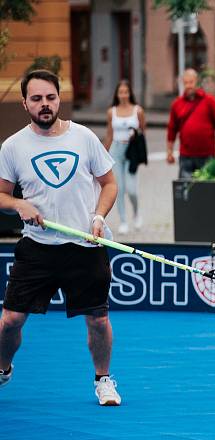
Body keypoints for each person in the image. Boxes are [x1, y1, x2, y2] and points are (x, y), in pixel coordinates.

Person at [0, 69, 121, 406]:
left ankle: (103, 380)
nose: (44, 105)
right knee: (10, 320)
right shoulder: (12, 147)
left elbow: (109, 183)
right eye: (36, 99)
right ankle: (2, 369)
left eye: (50, 98)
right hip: (37, 248)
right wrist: (19, 203)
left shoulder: (84, 138)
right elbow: (1, 195)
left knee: (98, 320)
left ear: (59, 99)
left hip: (85, 245)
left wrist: (98, 217)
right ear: (25, 103)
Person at [166, 68, 215, 180]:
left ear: (197, 82)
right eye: (186, 83)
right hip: (186, 156)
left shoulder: (209, 101)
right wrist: (169, 152)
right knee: (186, 189)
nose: (188, 86)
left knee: (207, 188)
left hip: (207, 155)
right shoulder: (177, 104)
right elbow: (172, 129)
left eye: (191, 82)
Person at [104, 79, 145, 234]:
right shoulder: (111, 112)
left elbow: (142, 132)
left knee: (132, 188)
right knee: (119, 188)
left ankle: (136, 212)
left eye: (126, 92)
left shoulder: (138, 111)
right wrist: (102, 155)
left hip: (132, 151)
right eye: (120, 92)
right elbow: (109, 135)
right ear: (117, 94)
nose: (123, 95)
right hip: (115, 150)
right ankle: (123, 220)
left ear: (130, 93)